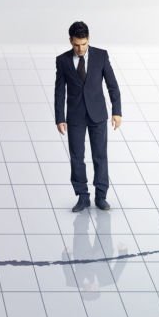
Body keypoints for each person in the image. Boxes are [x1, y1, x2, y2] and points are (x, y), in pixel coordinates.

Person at [54, 21, 122, 212]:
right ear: (70, 41)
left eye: (84, 44)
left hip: (98, 114)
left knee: (100, 156)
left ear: (88, 39)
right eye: (76, 44)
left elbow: (112, 85)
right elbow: (59, 91)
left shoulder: (101, 56)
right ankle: (82, 197)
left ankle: (101, 196)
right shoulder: (63, 61)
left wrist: (117, 111)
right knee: (77, 157)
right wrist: (60, 117)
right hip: (75, 116)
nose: (80, 48)